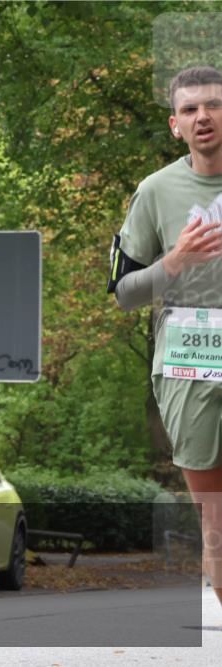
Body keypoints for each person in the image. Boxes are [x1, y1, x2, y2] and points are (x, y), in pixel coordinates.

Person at [107, 66, 222, 607]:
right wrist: (171, 263)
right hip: (189, 363)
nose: (204, 116)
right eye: (191, 109)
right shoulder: (156, 191)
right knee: (215, 518)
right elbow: (125, 293)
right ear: (175, 124)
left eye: (214, 105)